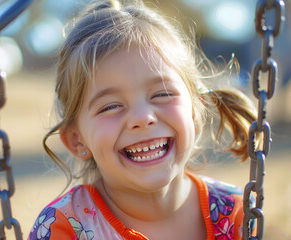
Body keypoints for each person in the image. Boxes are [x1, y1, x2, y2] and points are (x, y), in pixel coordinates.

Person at [28, 0, 256, 239]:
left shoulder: (235, 212)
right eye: (111, 106)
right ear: (77, 140)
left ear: (195, 110)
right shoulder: (63, 228)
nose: (142, 118)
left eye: (162, 94)